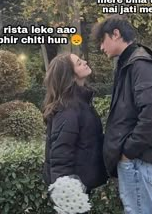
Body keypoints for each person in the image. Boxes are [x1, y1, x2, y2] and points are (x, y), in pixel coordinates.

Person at [92, 15, 152, 214]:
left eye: (102, 41)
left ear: (116, 34)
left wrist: (128, 152)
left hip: (139, 161)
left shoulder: (140, 64)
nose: (101, 48)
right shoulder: (131, 64)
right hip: (137, 160)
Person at [43, 53, 107, 198]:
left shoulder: (81, 103)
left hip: (81, 183)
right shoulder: (68, 110)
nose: (85, 62)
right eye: (79, 63)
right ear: (71, 76)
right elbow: (61, 154)